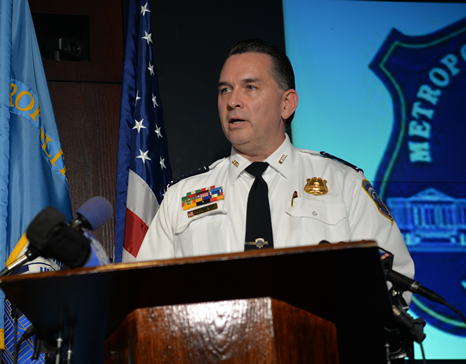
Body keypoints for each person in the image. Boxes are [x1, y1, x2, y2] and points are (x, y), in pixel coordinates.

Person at [136, 39, 414, 291]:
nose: (232, 101)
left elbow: (394, 280)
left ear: (287, 104)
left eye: (250, 87)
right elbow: (145, 290)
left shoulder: (344, 184)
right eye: (225, 90)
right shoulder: (181, 197)